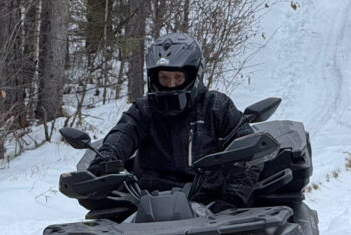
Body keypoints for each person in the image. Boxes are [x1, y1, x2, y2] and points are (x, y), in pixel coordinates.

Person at [89, 32, 260, 212]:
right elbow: (122, 135)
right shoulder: (144, 110)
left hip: (209, 204)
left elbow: (248, 152)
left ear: (193, 75)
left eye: (178, 78)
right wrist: (105, 161)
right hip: (149, 206)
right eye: (164, 78)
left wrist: (231, 200)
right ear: (154, 78)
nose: (171, 85)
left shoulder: (216, 106)